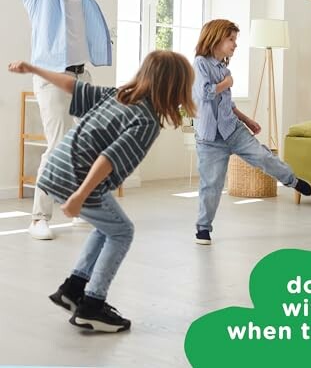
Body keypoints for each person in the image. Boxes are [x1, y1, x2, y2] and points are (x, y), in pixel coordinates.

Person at [8, 50, 196, 332]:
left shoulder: (118, 95)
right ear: (173, 87)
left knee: (108, 226)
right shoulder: (145, 120)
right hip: (75, 177)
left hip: (57, 166)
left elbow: (74, 87)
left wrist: (34, 69)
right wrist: (79, 197)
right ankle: (92, 306)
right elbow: (108, 159)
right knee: (122, 231)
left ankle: (73, 289)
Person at [17, 0, 127, 240]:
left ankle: (78, 208)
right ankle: (38, 218)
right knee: (58, 146)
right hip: (51, 76)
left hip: (81, 77)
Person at [192, 19, 311, 245]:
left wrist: (247, 120)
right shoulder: (200, 64)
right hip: (209, 138)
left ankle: (292, 180)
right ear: (216, 38)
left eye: (235, 40)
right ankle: (203, 228)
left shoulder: (224, 69)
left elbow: (227, 103)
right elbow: (205, 93)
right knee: (212, 184)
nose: (235, 45)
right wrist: (227, 83)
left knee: (263, 156)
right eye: (231, 39)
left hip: (233, 129)